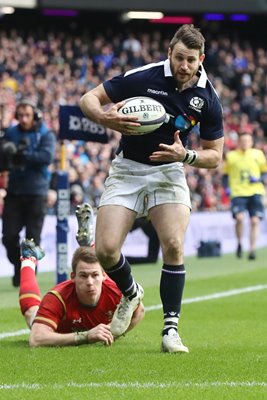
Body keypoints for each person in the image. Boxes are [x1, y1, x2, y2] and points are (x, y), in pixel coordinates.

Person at [79, 24, 224, 353]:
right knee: (104, 250)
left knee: (173, 243)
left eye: (191, 60)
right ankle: (132, 293)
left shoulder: (207, 98)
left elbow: (215, 156)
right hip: (127, 169)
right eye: (178, 58)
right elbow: (89, 98)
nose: (183, 66)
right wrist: (106, 118)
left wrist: (184, 155)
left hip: (169, 171)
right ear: (169, 52)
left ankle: (170, 329)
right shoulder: (144, 77)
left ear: (200, 59)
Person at [19, 203, 144, 347]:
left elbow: (139, 311)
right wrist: (86, 336)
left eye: (95, 276)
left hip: (107, 284)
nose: (90, 282)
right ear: (73, 277)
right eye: (83, 276)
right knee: (31, 313)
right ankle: (28, 259)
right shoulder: (57, 297)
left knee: (105, 274)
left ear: (104, 276)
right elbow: (36, 339)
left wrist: (112, 332)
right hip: (61, 331)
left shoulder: (116, 290)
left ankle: (89, 243)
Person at [1, 99, 56, 287]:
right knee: (8, 236)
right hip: (14, 191)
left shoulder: (45, 134)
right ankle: (19, 265)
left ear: (35, 116)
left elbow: (46, 157)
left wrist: (21, 156)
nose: (24, 119)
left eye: (27, 115)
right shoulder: (11, 133)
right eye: (21, 116)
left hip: (36, 192)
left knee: (33, 240)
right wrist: (8, 154)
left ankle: (28, 279)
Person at [223, 132, 267, 260]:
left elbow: (265, 173)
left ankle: (252, 249)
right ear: (238, 142)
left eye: (247, 141)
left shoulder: (258, 154)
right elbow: (225, 176)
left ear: (251, 142)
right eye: (243, 141)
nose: (245, 143)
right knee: (240, 218)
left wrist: (259, 179)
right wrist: (227, 188)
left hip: (255, 191)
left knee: (254, 221)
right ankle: (239, 243)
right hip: (238, 192)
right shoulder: (231, 156)